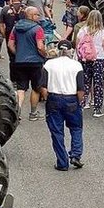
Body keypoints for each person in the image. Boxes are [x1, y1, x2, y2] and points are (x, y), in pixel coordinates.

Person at [41, 39, 86, 170]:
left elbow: (43, 86)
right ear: (70, 51)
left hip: (54, 98)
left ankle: (62, 162)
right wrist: (79, 102)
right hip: (71, 98)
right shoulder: (76, 65)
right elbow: (81, 88)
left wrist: (46, 98)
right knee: (76, 128)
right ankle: (76, 154)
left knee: (57, 131)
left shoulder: (49, 64)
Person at [8, 6, 48, 120]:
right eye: (37, 15)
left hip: (20, 61)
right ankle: (33, 113)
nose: (38, 17)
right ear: (31, 16)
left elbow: (10, 44)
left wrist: (18, 53)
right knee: (35, 88)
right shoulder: (38, 29)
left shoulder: (16, 27)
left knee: (21, 88)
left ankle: (18, 112)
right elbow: (40, 46)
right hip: (35, 62)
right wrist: (45, 55)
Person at [75, 10, 104, 117]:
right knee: (98, 84)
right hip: (99, 59)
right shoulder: (102, 32)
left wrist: (80, 57)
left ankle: (82, 104)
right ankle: (97, 108)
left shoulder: (82, 30)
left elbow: (77, 45)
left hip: (85, 59)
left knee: (85, 82)